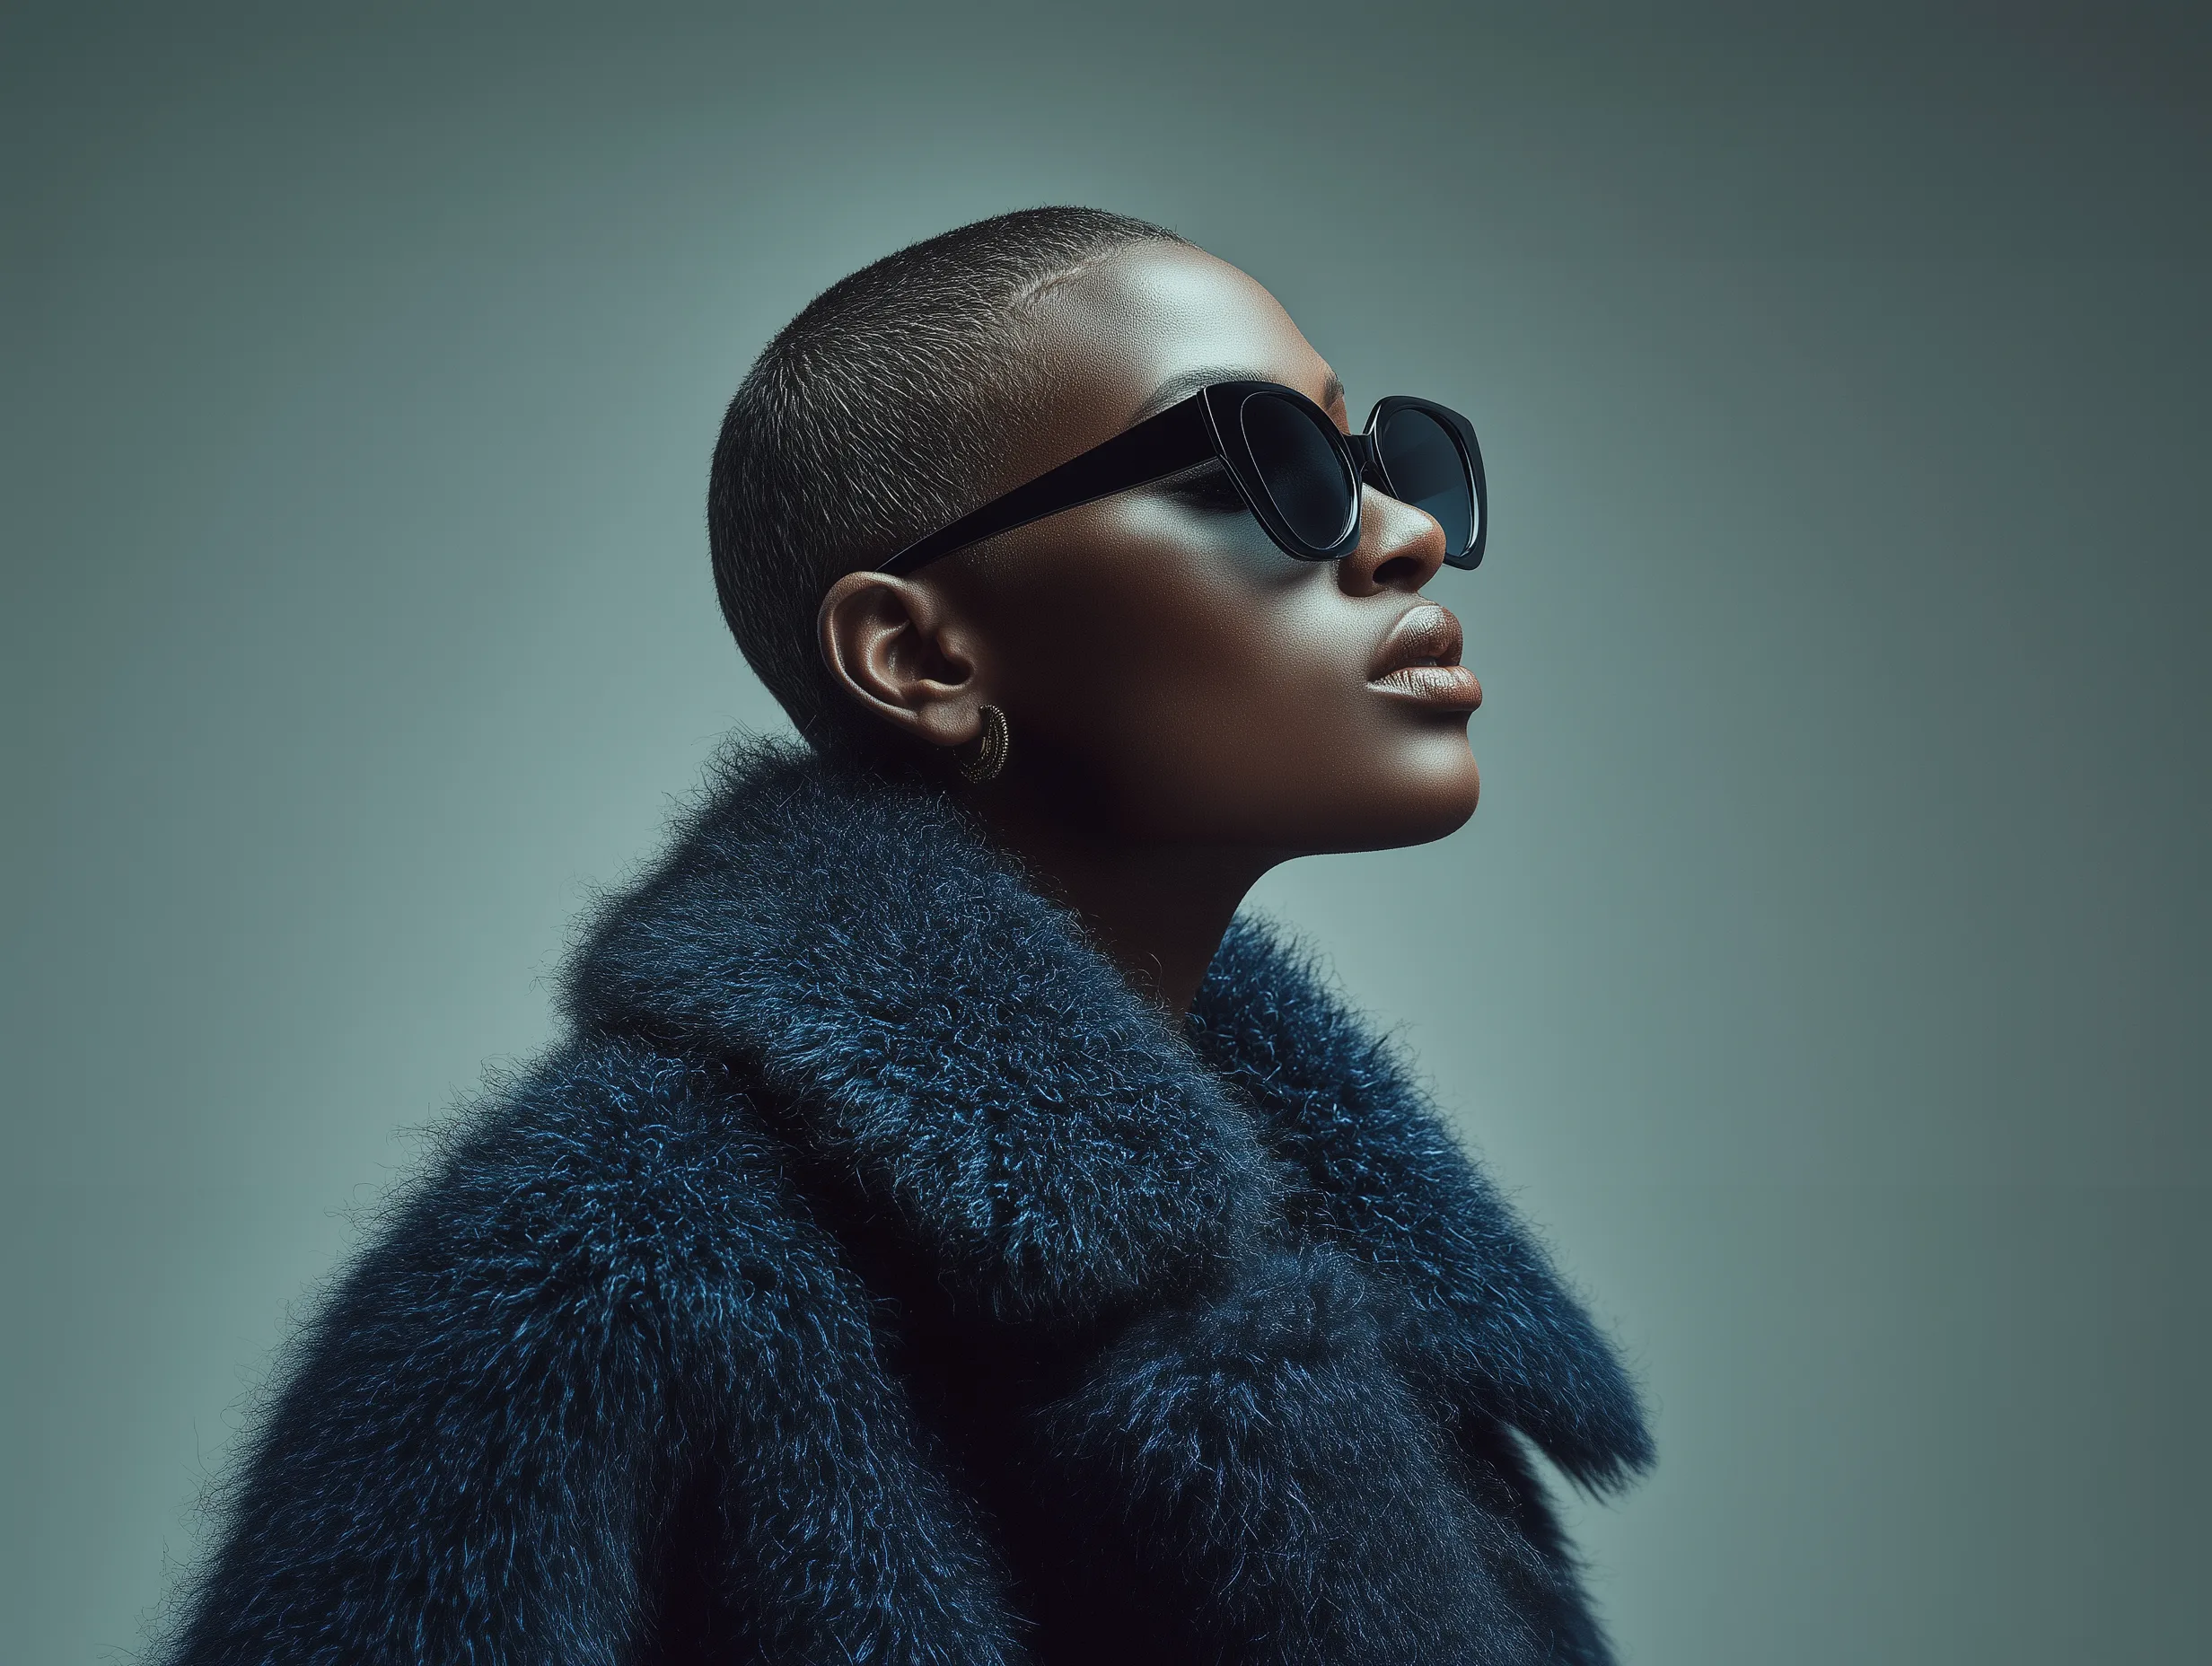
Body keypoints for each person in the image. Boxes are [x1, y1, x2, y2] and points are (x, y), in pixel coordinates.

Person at [162, 207, 1651, 1665]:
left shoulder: (1334, 1245)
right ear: (919, 654)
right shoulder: (608, 1239)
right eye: (1259, 465)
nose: (1401, 537)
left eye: (1379, 458)